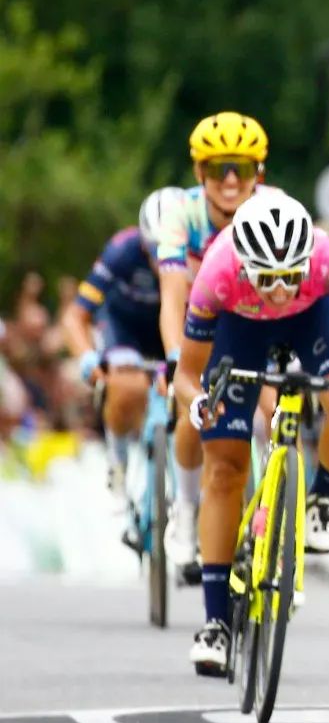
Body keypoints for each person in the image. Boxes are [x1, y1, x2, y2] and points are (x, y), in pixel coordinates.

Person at [173, 192, 329, 675]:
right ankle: (215, 623)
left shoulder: (328, 261)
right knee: (225, 471)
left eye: (288, 277)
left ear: (306, 263)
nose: (277, 291)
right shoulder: (216, 274)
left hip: (312, 320)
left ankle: (322, 499)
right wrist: (198, 402)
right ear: (243, 265)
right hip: (238, 330)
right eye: (266, 278)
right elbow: (186, 374)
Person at [156, 112, 267, 571]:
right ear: (200, 172)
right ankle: (185, 509)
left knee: (274, 409)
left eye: (241, 168)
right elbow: (171, 297)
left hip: (254, 321)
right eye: (220, 168)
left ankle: (272, 514)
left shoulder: (273, 208)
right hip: (198, 326)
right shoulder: (180, 214)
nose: (230, 180)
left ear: (258, 173)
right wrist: (175, 358)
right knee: (193, 408)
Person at [62, 187, 186, 504]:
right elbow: (75, 316)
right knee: (128, 387)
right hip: (124, 328)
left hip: (172, 330)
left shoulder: (203, 255)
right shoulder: (122, 251)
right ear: (144, 242)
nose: (164, 259)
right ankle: (117, 459)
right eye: (156, 250)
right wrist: (87, 357)